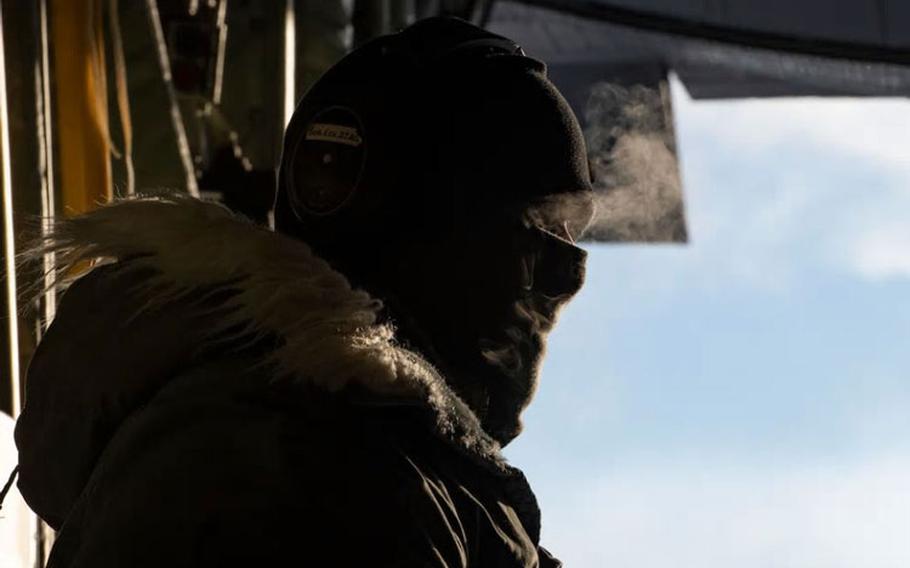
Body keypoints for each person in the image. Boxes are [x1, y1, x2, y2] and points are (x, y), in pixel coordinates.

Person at [15, 17, 594, 567]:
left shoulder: (331, 447)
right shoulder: (335, 477)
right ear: (451, 236)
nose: (569, 272)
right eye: (549, 227)